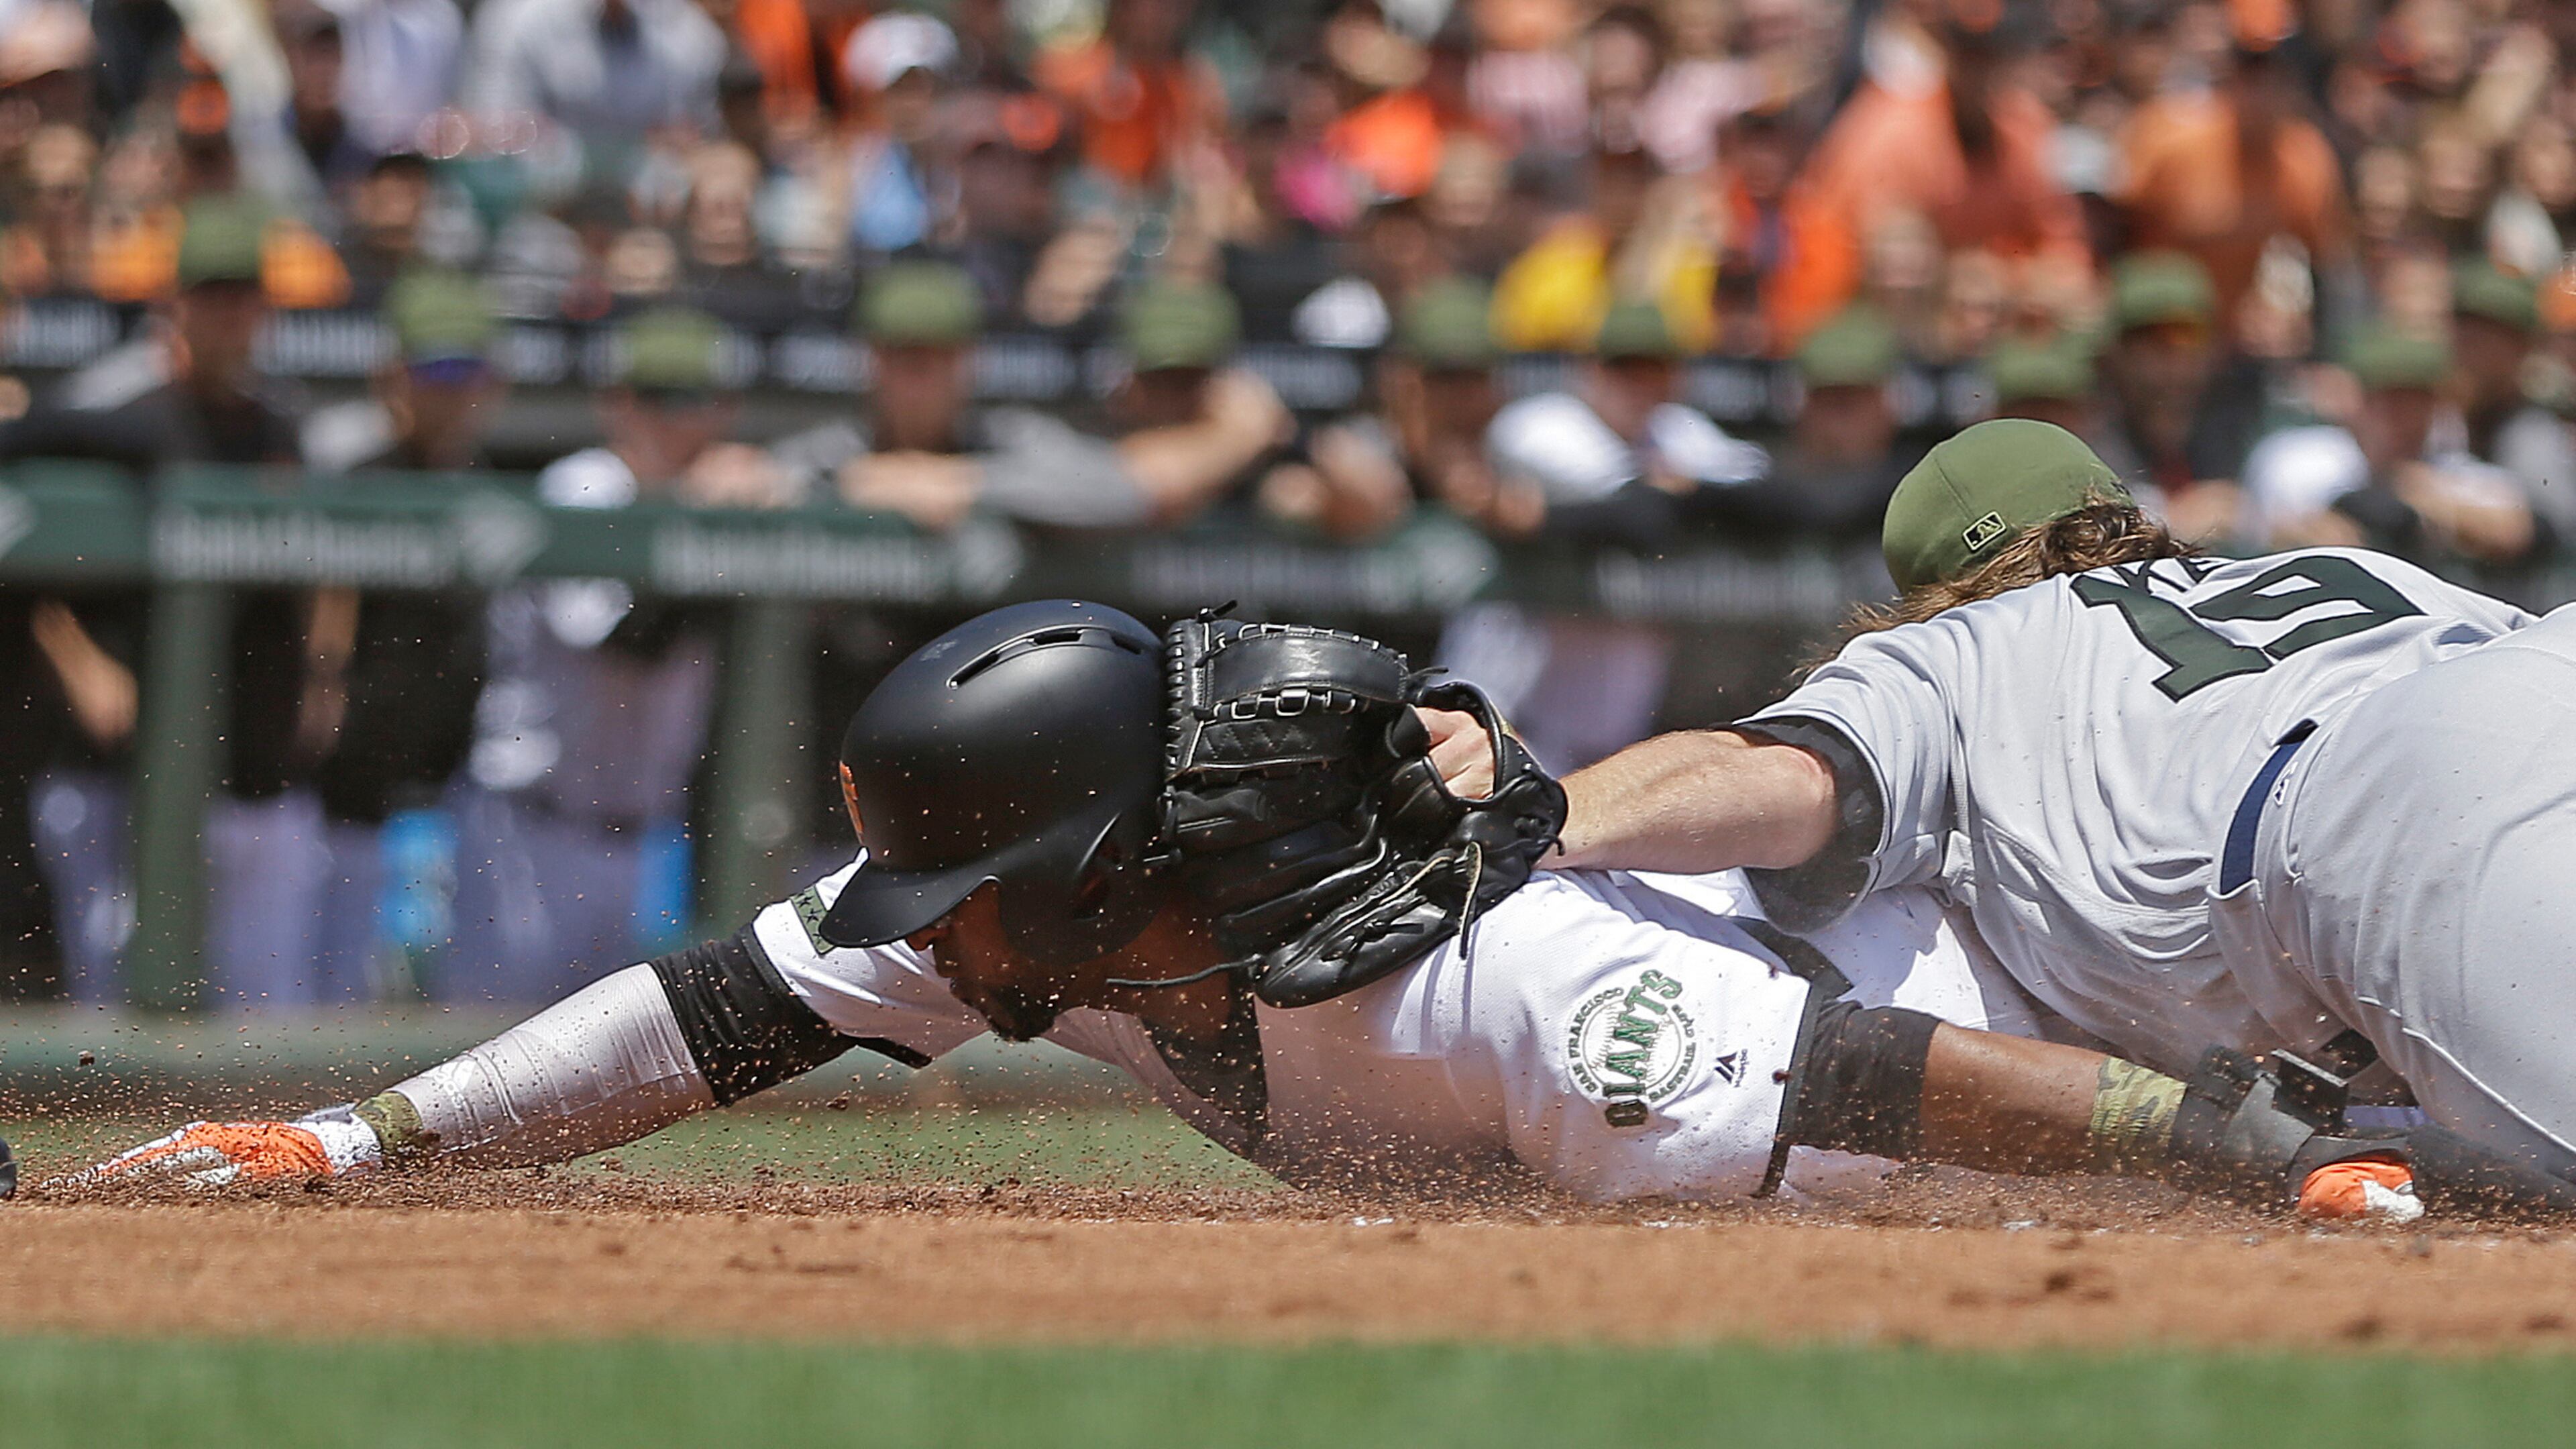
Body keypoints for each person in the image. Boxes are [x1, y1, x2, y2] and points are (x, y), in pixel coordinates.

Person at [71, 600, 2566, 1224]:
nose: (927, 933)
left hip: (1971, 1030)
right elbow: (721, 1007)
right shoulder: (1039, 921)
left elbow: (1883, 1081)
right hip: (1795, 1065)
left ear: (1092, 875)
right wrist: (353, 1142)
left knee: (2431, 1150)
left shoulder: (1518, 976)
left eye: (966, 891)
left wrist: (2276, 1161)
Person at [1441, 415, 2576, 1189]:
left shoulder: (1962, 645)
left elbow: (1783, 780)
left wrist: (1541, 813)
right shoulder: (2348, 569)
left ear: (1941, 580)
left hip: (2385, 811)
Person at [0, 195, 309, 1003]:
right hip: (115, 773)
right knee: (114, 1011)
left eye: (243, 294)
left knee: (255, 1018)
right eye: (211, 293)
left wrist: (325, 670)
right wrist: (80, 662)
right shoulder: (117, 413)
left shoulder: (276, 427)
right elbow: (32, 568)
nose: (228, 313)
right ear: (174, 302)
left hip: (238, 757)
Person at [448, 307, 765, 1002]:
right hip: (532, 834)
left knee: (609, 1089)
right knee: (484, 1060)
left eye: (696, 403)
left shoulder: (717, 491)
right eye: (658, 401)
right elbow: (628, 643)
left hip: (643, 845)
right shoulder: (582, 487)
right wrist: (710, 522)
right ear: (617, 403)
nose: (678, 425)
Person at [1442, 300, 1767, 774]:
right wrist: (1683, 493)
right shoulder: (1539, 427)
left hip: (1609, 742)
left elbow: (1763, 489)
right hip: (1503, 718)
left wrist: (1686, 490)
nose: (1636, 384)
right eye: (1622, 367)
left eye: (1652, 368)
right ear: (1588, 369)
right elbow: (1636, 515)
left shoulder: (1679, 432)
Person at [2242, 323, 2542, 567]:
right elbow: (2256, 535)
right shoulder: (2301, 459)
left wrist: (2426, 501)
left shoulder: (2451, 469)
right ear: (2357, 401)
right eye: (2390, 402)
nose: (2405, 417)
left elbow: (2515, 530)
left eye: (2418, 403)